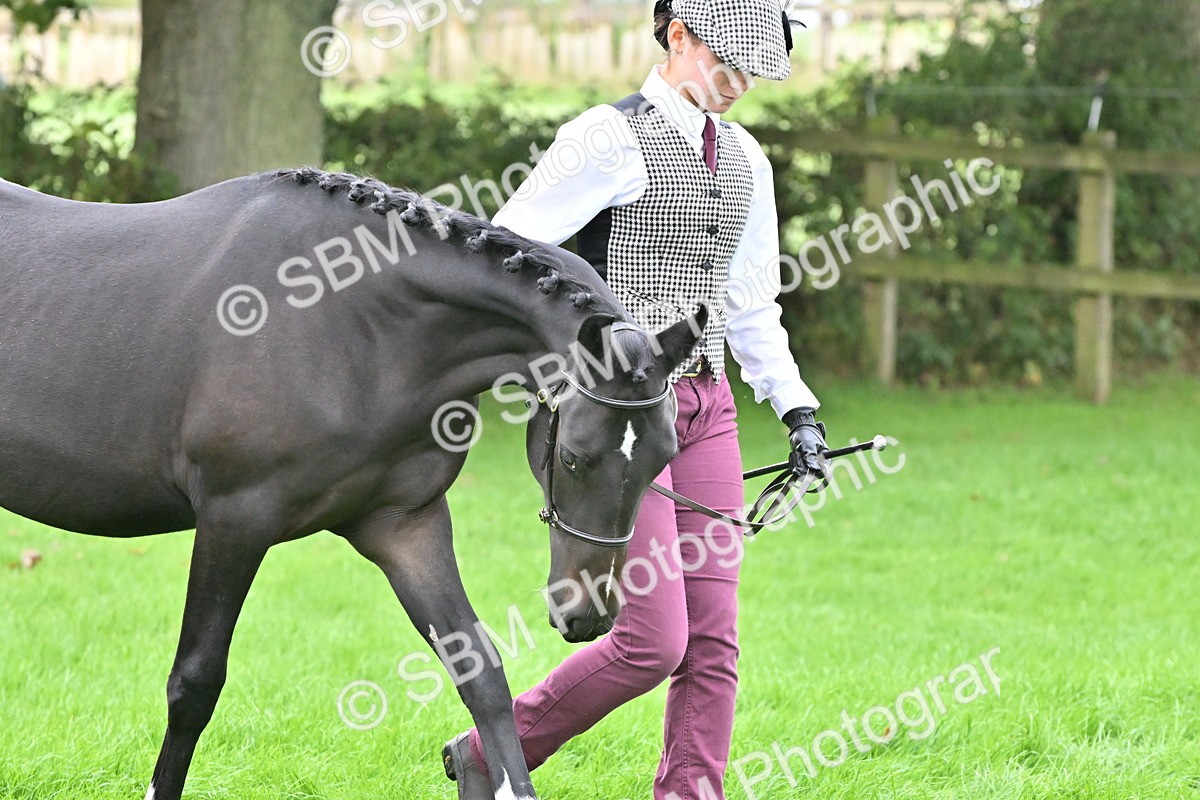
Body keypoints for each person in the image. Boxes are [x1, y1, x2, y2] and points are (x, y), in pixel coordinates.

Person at [442, 1, 828, 797]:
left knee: (713, 640)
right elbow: (505, 254)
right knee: (654, 641)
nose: (740, 82)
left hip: (707, 405)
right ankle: (494, 749)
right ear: (677, 35)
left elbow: (752, 302)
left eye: (754, 69)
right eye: (729, 59)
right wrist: (560, 365)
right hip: (617, 422)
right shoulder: (607, 138)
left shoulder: (747, 159)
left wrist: (797, 409)